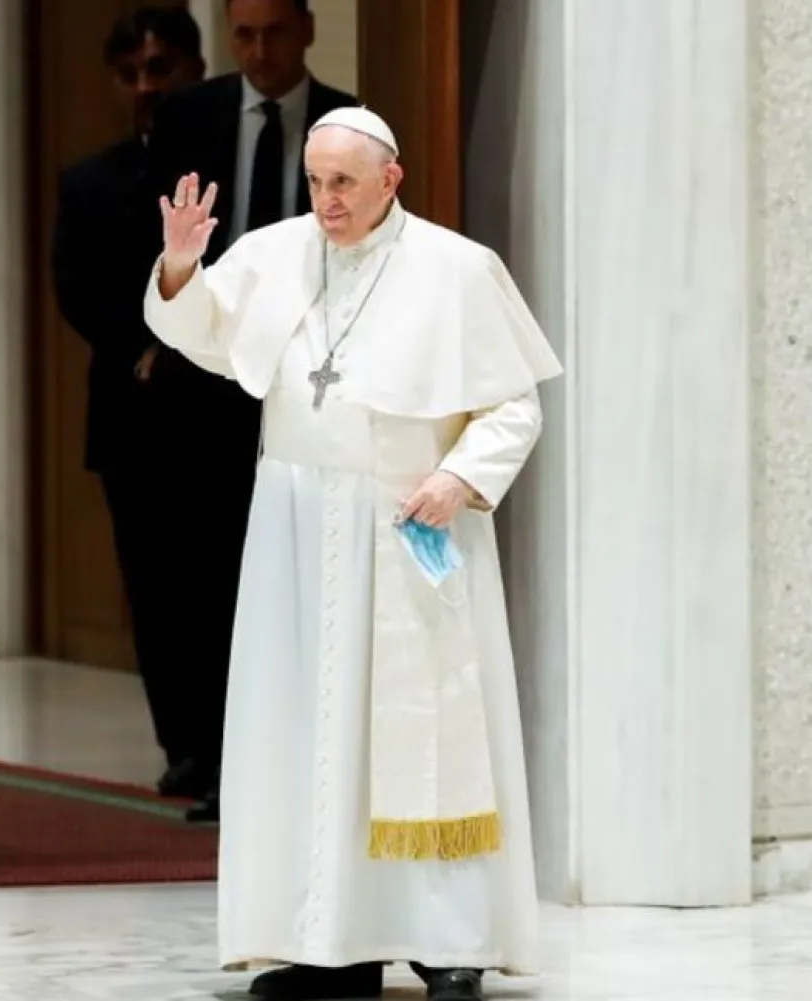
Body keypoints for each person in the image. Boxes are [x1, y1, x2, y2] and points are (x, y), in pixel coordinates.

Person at [142, 108, 561, 1001]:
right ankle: (327, 946)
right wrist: (180, 264)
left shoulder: (456, 269)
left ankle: (449, 943)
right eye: (315, 180)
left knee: (423, 737)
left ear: (390, 179)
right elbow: (203, 330)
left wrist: (457, 476)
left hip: (406, 526)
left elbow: (515, 405)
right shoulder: (277, 253)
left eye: (343, 183)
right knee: (304, 733)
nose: (325, 200)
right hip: (294, 530)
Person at [148, 0, 359, 824]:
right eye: (244, 34)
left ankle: (310, 759)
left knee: (299, 582)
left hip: (317, 387)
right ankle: (214, 759)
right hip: (205, 384)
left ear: (307, 29)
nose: (261, 49)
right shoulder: (187, 118)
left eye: (275, 31)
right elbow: (157, 244)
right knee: (205, 581)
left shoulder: (348, 123)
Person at [50, 7, 210, 799]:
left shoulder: (221, 162)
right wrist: (143, 346)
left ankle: (229, 743)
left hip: (216, 410)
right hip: (131, 411)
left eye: (161, 69)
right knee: (152, 588)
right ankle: (182, 743)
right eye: (132, 73)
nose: (147, 87)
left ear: (195, 69)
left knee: (218, 583)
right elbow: (77, 288)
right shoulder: (90, 180)